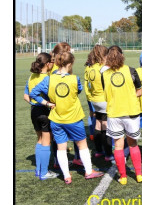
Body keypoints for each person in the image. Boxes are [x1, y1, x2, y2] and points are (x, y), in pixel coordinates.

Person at [30, 51, 104, 184]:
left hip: (57, 119)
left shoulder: (49, 78)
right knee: (82, 145)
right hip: (74, 118)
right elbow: (79, 90)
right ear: (70, 64)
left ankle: (66, 176)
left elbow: (33, 93)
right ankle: (88, 171)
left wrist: (46, 103)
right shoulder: (74, 79)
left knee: (61, 147)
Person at [102, 45, 142, 185]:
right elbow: (139, 90)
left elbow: (107, 92)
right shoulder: (131, 70)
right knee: (133, 145)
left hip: (114, 113)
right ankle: (138, 174)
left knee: (119, 146)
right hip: (131, 112)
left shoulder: (104, 74)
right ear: (122, 55)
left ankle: (123, 177)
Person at [23, 52, 59, 180]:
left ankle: (39, 170)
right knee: (46, 142)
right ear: (48, 64)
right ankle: (44, 172)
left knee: (39, 140)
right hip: (44, 112)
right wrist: (47, 104)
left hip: (34, 111)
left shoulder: (31, 76)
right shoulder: (47, 78)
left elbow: (26, 96)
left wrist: (34, 104)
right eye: (52, 62)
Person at [51, 42, 81, 166]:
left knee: (58, 135)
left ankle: (58, 160)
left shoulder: (55, 65)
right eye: (69, 50)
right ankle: (73, 158)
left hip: (57, 105)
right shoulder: (56, 68)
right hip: (63, 106)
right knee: (73, 132)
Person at [85, 45, 113, 162]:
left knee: (98, 124)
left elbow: (87, 87)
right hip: (104, 100)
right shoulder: (104, 68)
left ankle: (98, 151)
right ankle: (108, 154)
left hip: (94, 100)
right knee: (106, 126)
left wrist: (91, 98)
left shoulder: (89, 68)